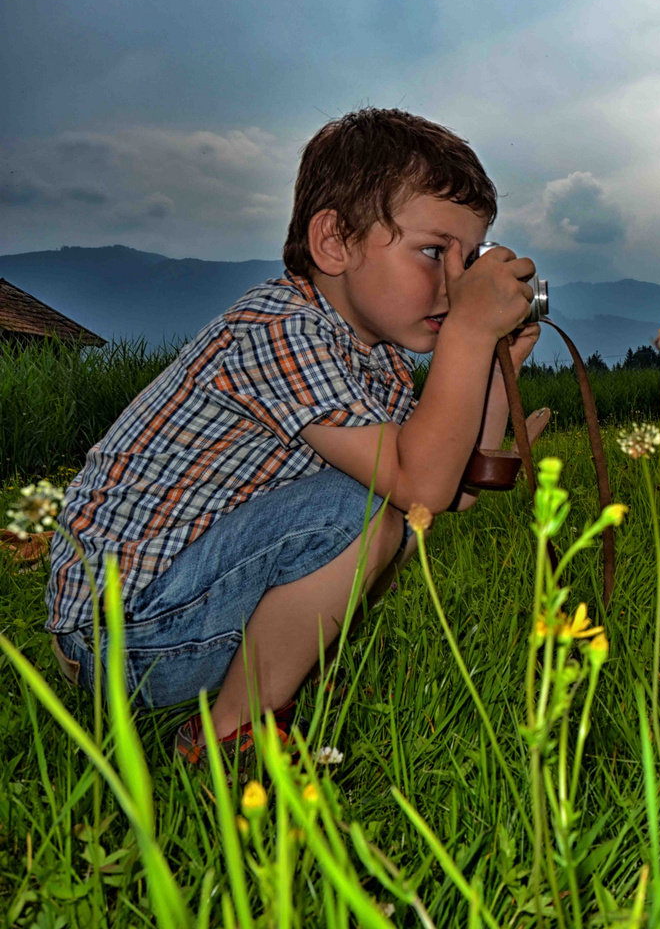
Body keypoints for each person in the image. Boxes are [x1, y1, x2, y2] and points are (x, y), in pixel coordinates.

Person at [43, 108, 541, 766]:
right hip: (120, 640)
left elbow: (445, 494)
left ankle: (264, 679)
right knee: (360, 509)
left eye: (468, 258)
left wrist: (501, 363)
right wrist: (471, 335)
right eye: (432, 251)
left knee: (387, 511)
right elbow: (419, 479)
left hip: (174, 618)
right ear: (334, 241)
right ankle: (227, 740)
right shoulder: (281, 332)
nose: (457, 281)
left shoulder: (375, 358)